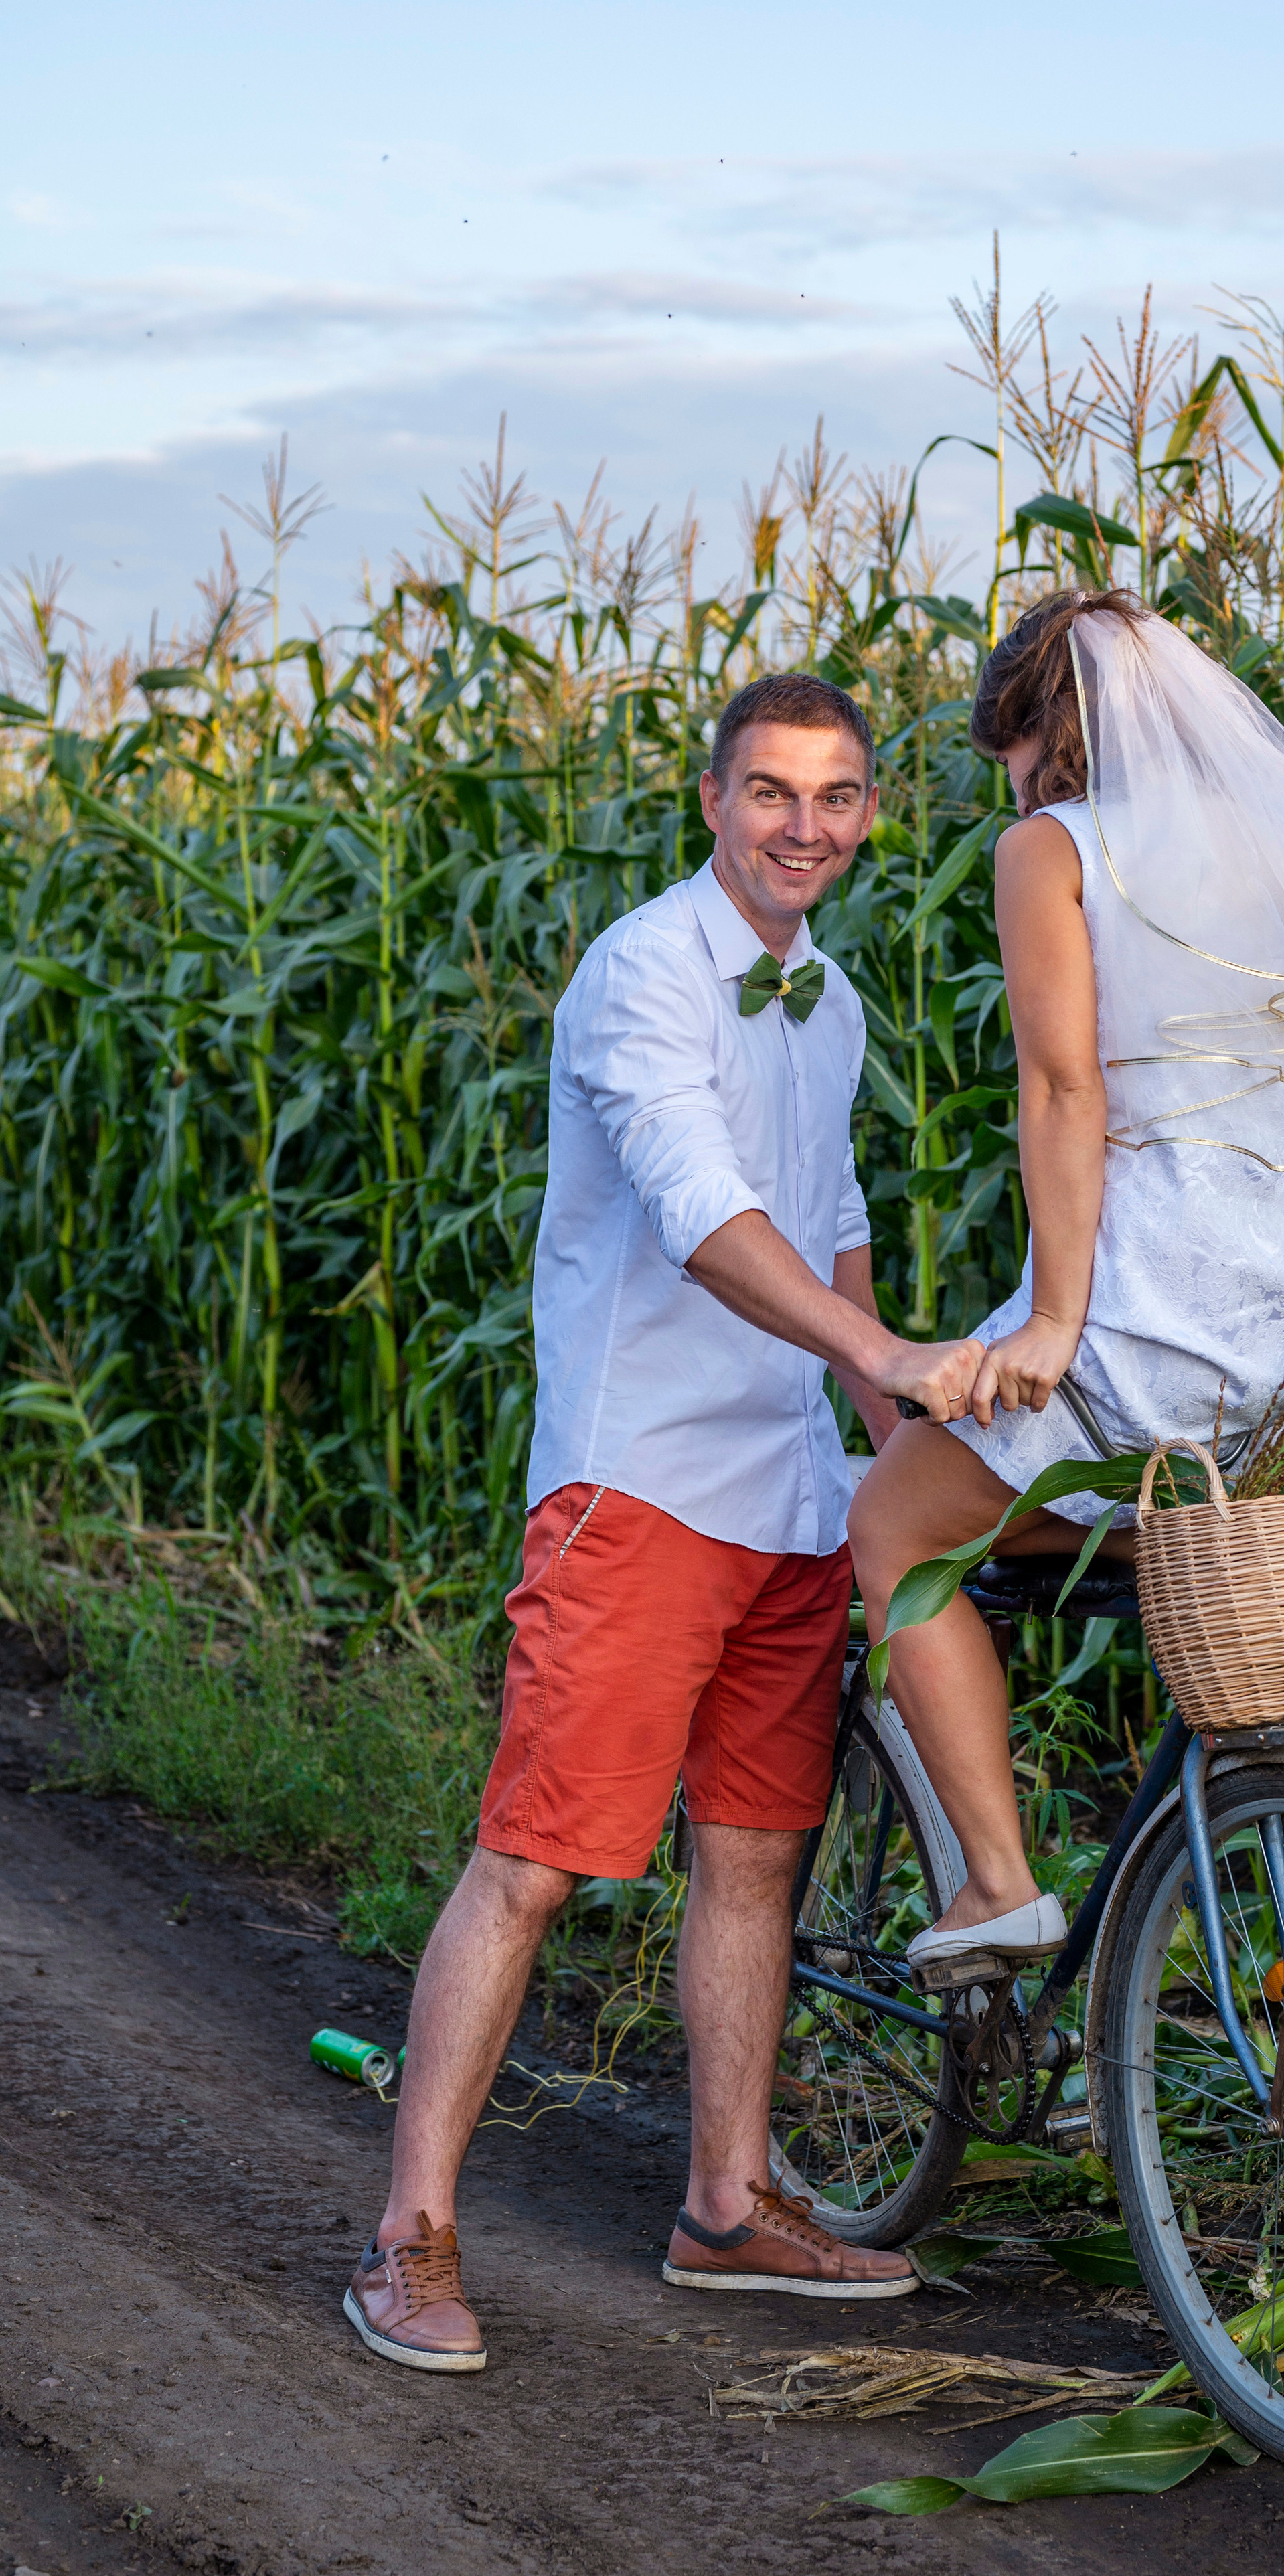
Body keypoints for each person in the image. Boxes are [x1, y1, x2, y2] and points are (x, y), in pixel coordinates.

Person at [345, 672, 985, 2372]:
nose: (803, 826)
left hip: (789, 1493)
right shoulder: (641, 971)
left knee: (756, 1854)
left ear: (869, 812)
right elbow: (702, 1212)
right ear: (710, 800)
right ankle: (407, 2236)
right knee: (539, 1857)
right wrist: (882, 1352)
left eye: (836, 795)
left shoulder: (829, 1000)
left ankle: (725, 2202)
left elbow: (828, 1210)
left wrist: (888, 1437)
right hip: (638, 1483)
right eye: (769, 791)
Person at [848, 590, 1284, 1977]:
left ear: (1045, 733)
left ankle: (997, 1886)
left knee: (893, 1521)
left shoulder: (1051, 849)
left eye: (1011, 760)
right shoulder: (1280, 848)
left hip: (1149, 1312)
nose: (1011, 791)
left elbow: (1062, 1089)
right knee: (1150, 1516)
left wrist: (1054, 1320)